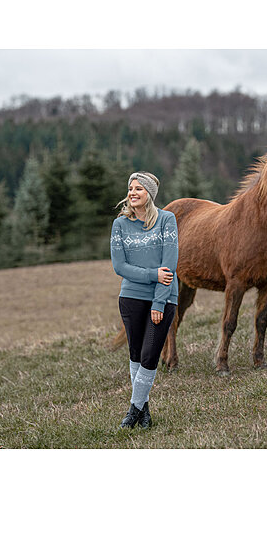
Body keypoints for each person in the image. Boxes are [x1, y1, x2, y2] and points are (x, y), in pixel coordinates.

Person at [110, 171, 179, 430]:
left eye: (139, 188)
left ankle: (132, 411)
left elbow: (169, 266)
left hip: (163, 299)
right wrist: (152, 274)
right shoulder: (120, 225)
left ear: (149, 193)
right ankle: (144, 411)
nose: (132, 193)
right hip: (131, 298)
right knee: (136, 355)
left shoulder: (166, 220)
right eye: (130, 188)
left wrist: (159, 303)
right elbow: (120, 266)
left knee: (150, 356)